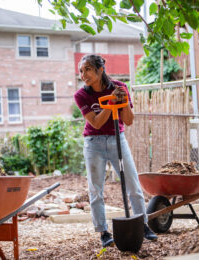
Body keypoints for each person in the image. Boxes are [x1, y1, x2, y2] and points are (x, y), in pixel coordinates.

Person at [73, 54, 157, 248]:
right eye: (81, 71)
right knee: (96, 190)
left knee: (133, 184)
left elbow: (128, 120)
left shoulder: (119, 87)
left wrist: (123, 100)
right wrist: (111, 102)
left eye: (87, 69)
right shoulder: (81, 95)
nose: (83, 74)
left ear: (100, 70)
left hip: (117, 139)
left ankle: (142, 225)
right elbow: (96, 122)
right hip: (93, 143)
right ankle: (103, 231)